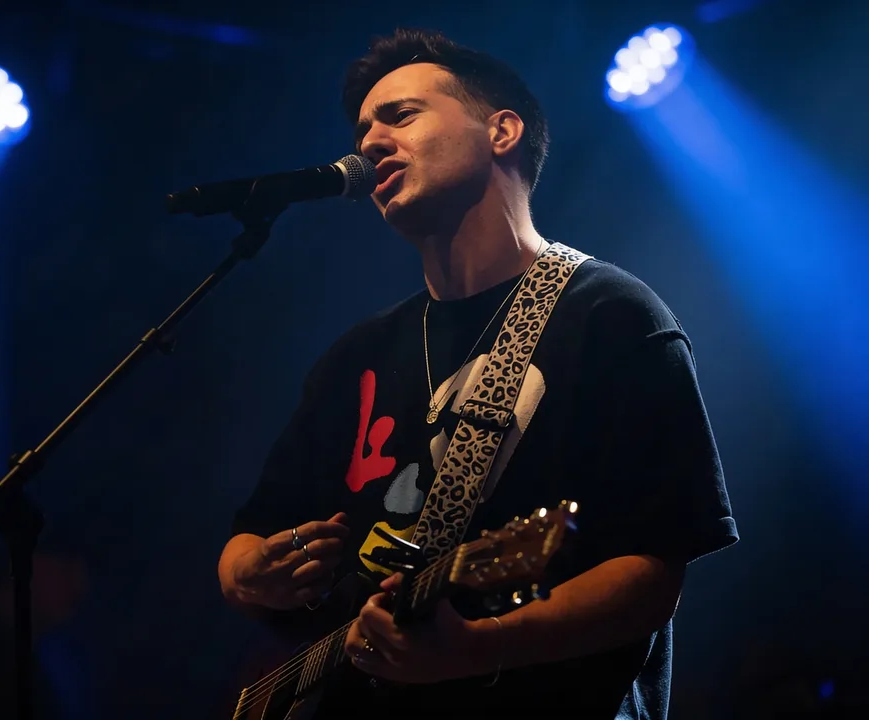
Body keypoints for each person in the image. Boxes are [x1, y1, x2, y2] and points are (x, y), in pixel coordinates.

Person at [216, 28, 738, 719]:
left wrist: (479, 648)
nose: (368, 143)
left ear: (502, 131)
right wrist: (249, 575)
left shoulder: (609, 316)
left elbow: (651, 570)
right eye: (363, 128)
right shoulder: (357, 355)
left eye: (400, 115)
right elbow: (250, 537)